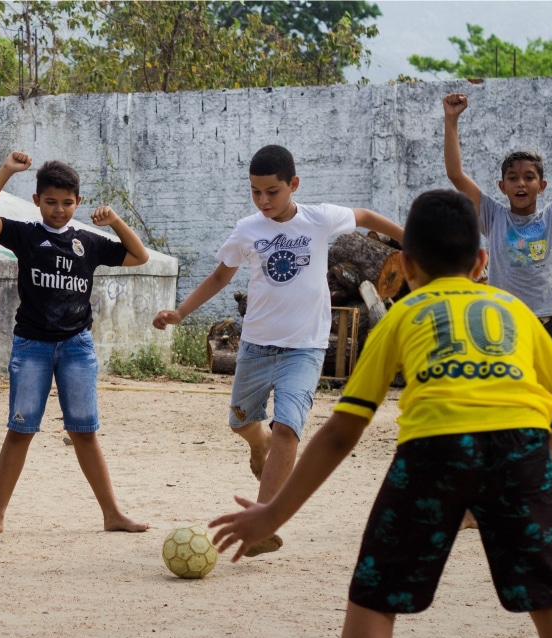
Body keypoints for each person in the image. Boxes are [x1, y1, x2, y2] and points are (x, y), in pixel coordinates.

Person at [210, 189, 552, 638]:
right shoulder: (518, 316)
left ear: (405, 266)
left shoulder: (402, 316)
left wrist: (273, 513)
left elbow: (341, 433)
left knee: (375, 599)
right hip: (521, 454)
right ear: (482, 262)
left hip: (435, 453)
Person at [152, 144, 403, 556]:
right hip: (255, 346)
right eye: (255, 192)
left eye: (272, 191)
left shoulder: (319, 219)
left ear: (294, 185)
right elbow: (219, 276)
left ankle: (263, 521)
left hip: (304, 348)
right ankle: (257, 443)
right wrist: (179, 312)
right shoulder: (248, 229)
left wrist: (415, 242)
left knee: (288, 428)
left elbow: (368, 217)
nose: (264, 201)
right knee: (241, 423)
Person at [0, 151, 150, 535]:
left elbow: (139, 255)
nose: (59, 210)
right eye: (51, 202)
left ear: (78, 202)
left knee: (84, 431)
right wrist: (6, 170)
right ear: (37, 201)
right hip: (31, 347)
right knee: (20, 430)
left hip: (77, 348)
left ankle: (112, 514)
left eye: (67, 203)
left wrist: (114, 220)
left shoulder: (89, 241)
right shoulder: (26, 235)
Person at [443, 88, 552, 461]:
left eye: (529, 177)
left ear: (541, 186)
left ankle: (540, 484)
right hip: (507, 326)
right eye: (513, 178)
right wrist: (451, 121)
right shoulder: (494, 217)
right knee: (505, 407)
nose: (521, 184)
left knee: (551, 411)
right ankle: (500, 478)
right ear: (502, 187)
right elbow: (456, 174)